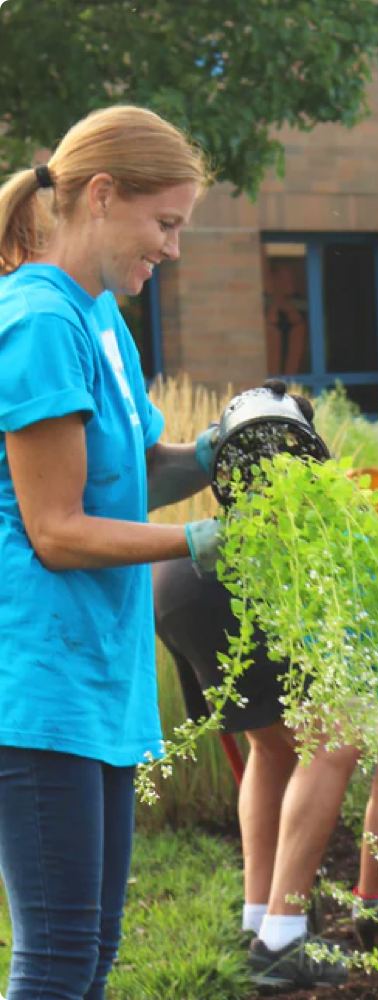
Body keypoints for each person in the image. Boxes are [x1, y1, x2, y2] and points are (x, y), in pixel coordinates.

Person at [0, 105, 226, 1000]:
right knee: (56, 956)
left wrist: (219, 452)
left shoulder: (98, 318)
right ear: (101, 195)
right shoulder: (36, 323)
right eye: (164, 224)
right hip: (38, 681)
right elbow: (57, 531)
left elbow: (126, 476)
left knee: (89, 951)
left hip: (99, 674)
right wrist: (208, 539)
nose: (171, 249)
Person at [152, 549, 378, 990]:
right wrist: (371, 901)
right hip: (233, 584)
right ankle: (282, 943)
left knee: (272, 748)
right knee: (340, 735)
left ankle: (259, 927)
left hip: (180, 574)